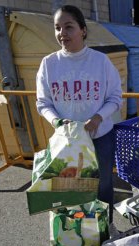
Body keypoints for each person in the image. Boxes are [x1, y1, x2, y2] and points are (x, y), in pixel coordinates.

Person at [36, 5, 123, 226]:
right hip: (67, 141)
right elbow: (43, 103)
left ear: (83, 30)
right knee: (70, 187)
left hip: (100, 137)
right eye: (57, 28)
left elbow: (114, 98)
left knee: (102, 185)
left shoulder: (100, 61)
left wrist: (98, 118)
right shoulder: (49, 64)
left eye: (68, 27)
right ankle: (78, 231)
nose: (62, 33)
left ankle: (105, 228)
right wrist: (56, 121)